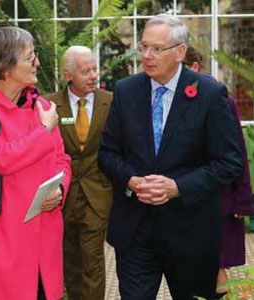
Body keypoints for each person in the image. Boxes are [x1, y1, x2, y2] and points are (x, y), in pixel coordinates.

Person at [98, 14, 244, 300]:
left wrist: (177, 187)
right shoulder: (126, 91)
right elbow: (107, 152)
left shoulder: (209, 94)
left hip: (192, 233)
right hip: (135, 232)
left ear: (180, 52)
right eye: (143, 47)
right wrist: (132, 180)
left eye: (156, 49)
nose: (147, 56)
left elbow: (229, 162)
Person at [0, 26, 71, 300]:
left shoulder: (41, 107)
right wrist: (43, 132)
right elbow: (1, 159)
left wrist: (60, 190)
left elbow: (62, 159)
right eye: (30, 58)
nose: (37, 63)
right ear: (4, 68)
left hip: (43, 243)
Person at [184, 46, 254, 295]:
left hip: (218, 198)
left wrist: (243, 200)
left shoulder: (221, 99)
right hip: (185, 199)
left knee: (218, 264)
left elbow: (238, 155)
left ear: (193, 68)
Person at [47, 46, 113, 300]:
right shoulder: (50, 104)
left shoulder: (111, 102)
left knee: (93, 261)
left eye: (94, 69)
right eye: (86, 71)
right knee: (70, 262)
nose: (93, 76)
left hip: (97, 193)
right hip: (62, 197)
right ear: (68, 75)